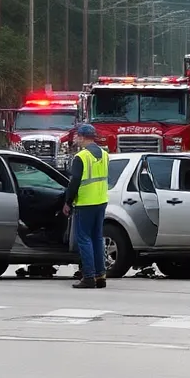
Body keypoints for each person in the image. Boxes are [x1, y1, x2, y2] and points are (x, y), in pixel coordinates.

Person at [63, 123, 108, 289]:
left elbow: (74, 182)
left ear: (82, 137)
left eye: (77, 136)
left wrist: (68, 202)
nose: (75, 139)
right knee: (97, 238)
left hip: (85, 202)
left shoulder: (81, 157)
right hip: (101, 201)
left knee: (84, 239)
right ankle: (100, 276)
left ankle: (88, 276)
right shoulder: (104, 154)